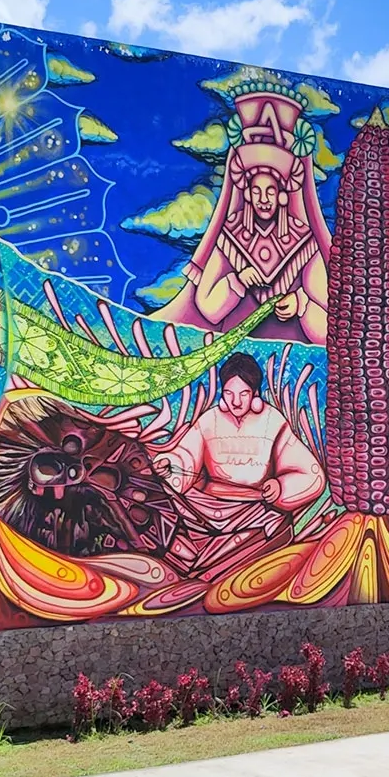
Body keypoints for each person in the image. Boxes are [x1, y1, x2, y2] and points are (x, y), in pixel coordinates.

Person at [151, 88, 330, 344]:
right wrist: (237, 280)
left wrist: (300, 301)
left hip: (290, 362)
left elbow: (328, 307)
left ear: (283, 195)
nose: (263, 198)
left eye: (271, 190)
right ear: (246, 194)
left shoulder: (303, 240)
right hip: (235, 358)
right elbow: (208, 308)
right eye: (256, 190)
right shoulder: (231, 236)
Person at [157, 350, 326, 577]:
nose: (235, 402)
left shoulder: (273, 420)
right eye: (229, 393)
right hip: (203, 509)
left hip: (254, 511)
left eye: (244, 394)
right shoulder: (209, 419)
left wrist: (281, 488)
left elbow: (308, 472)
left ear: (255, 393)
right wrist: (170, 464)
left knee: (267, 531)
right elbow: (186, 456)